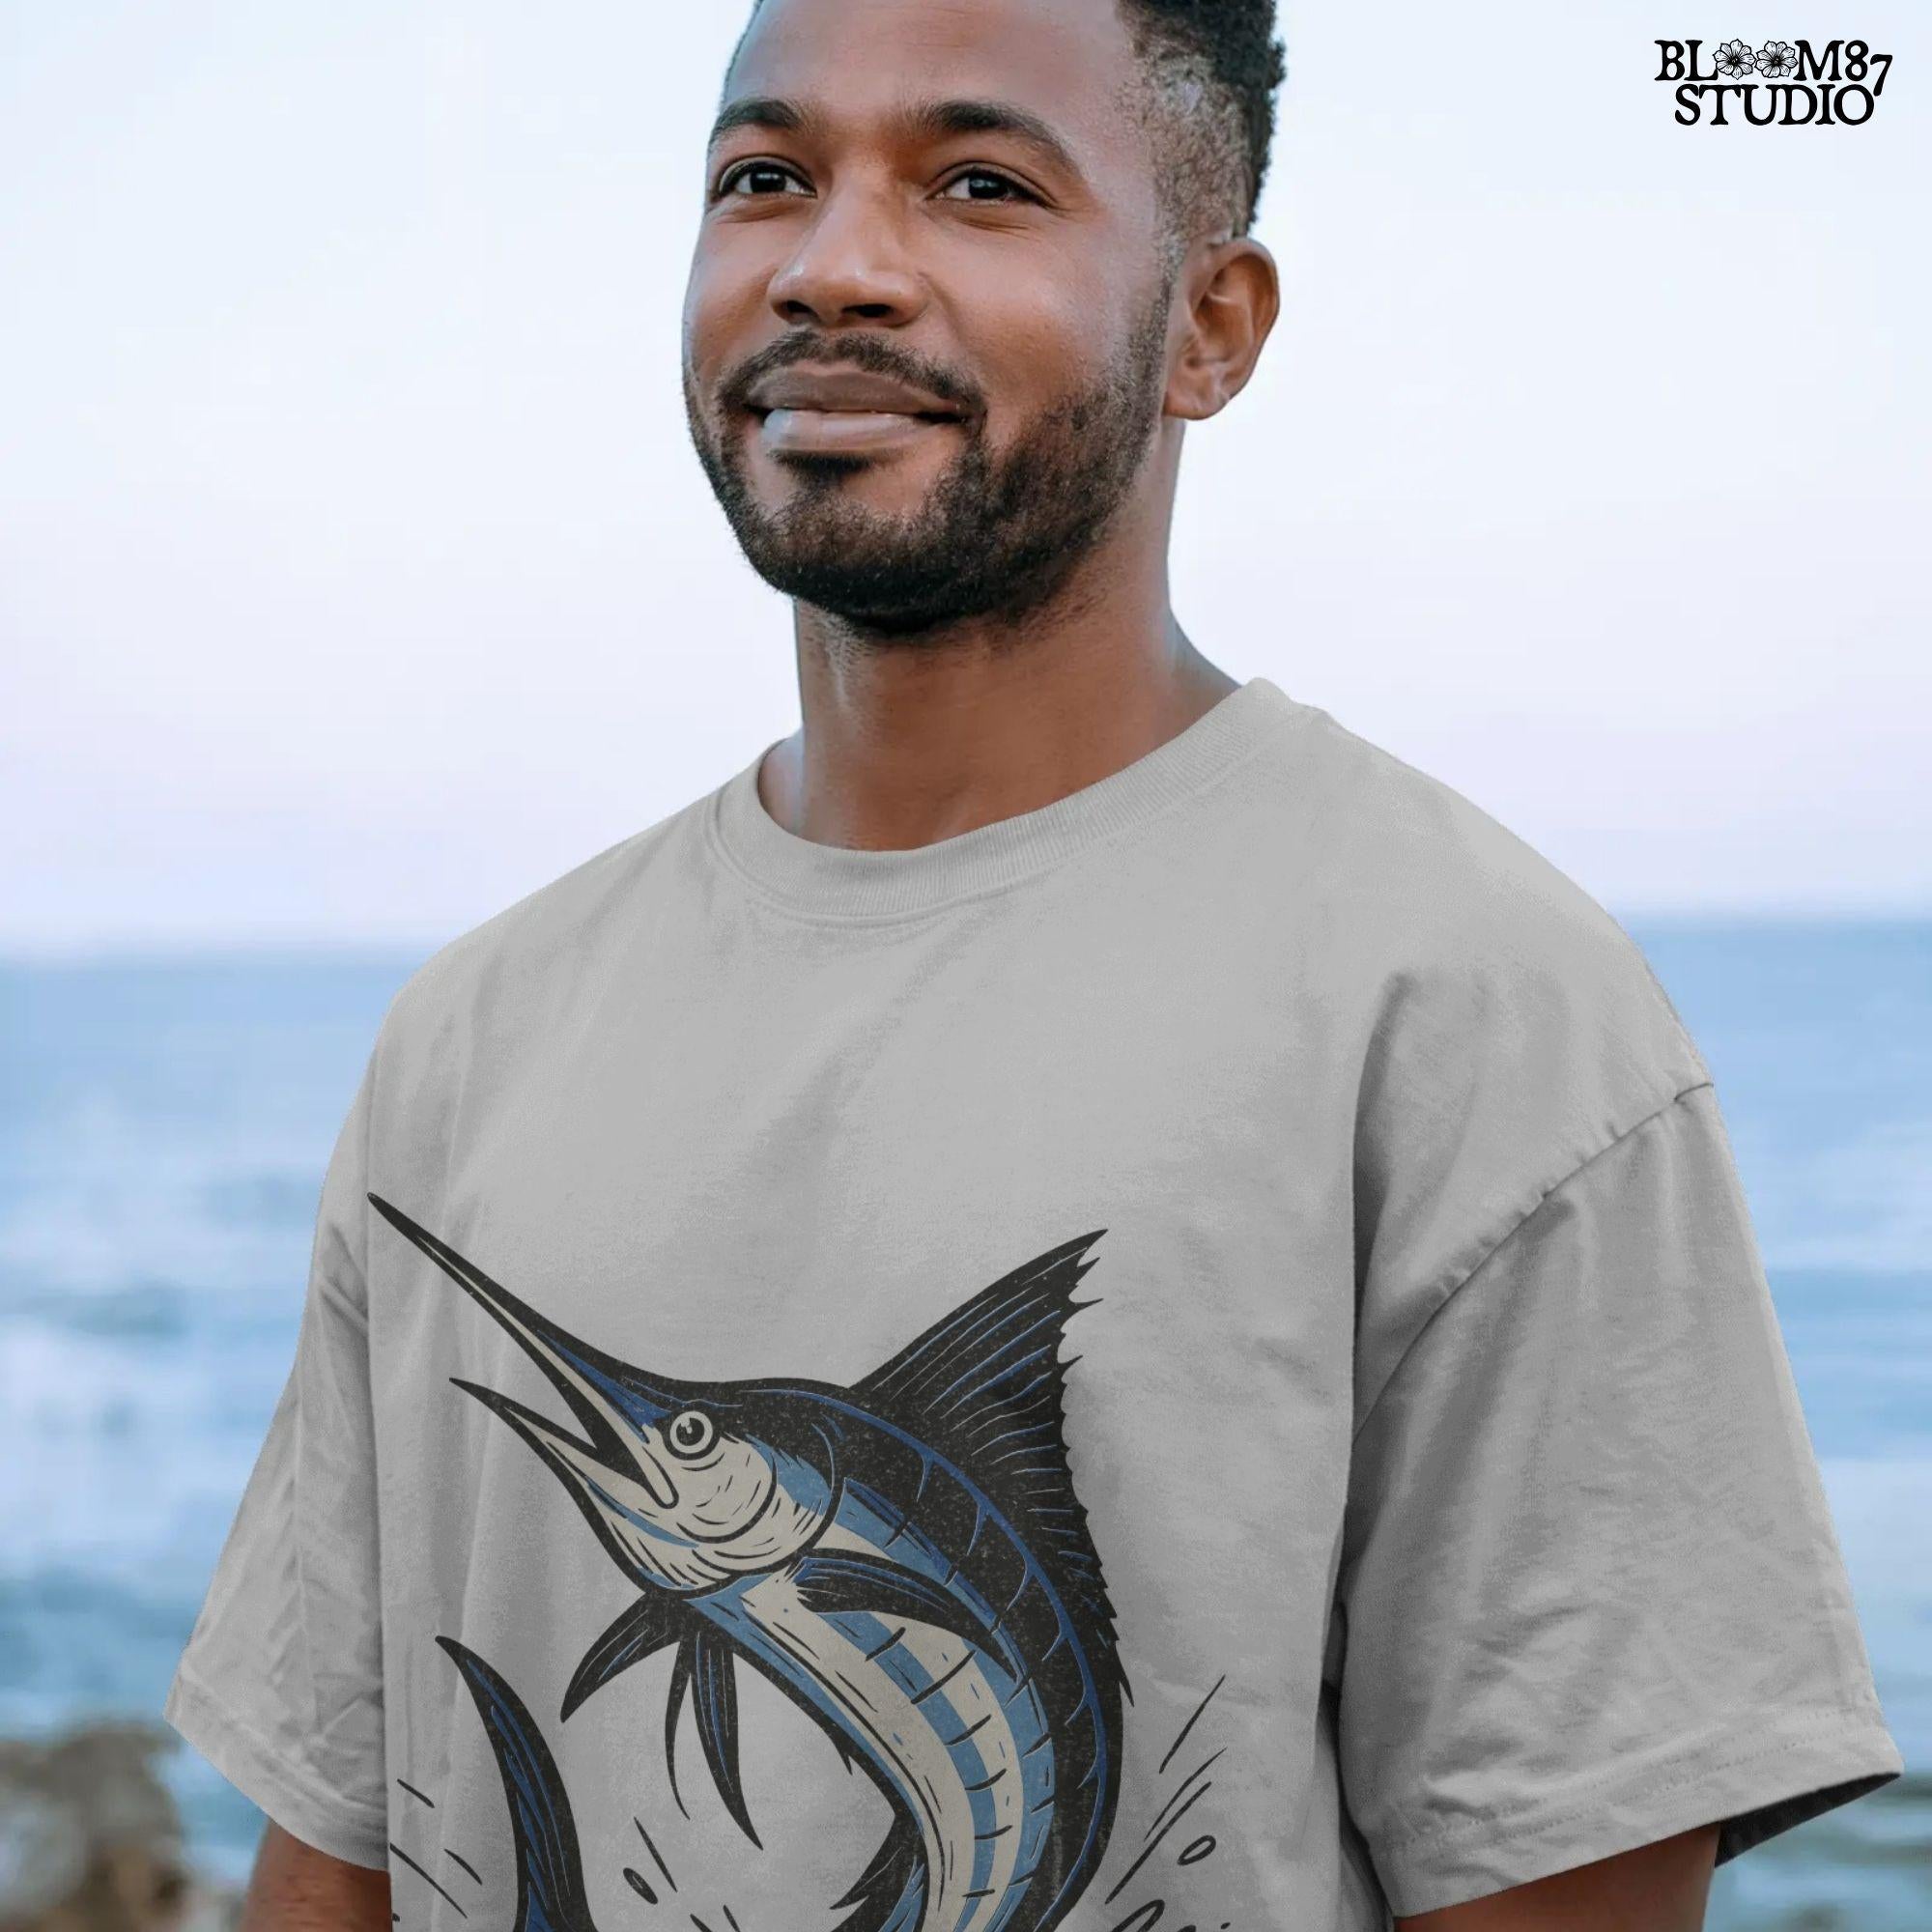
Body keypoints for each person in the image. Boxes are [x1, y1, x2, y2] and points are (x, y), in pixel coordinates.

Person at [161, 0, 1904, 1927]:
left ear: (1209, 327)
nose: (831, 266)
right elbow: (340, 1848)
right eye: (765, 179)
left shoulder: (1478, 1007)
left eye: (978, 184)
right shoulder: (467, 1035)